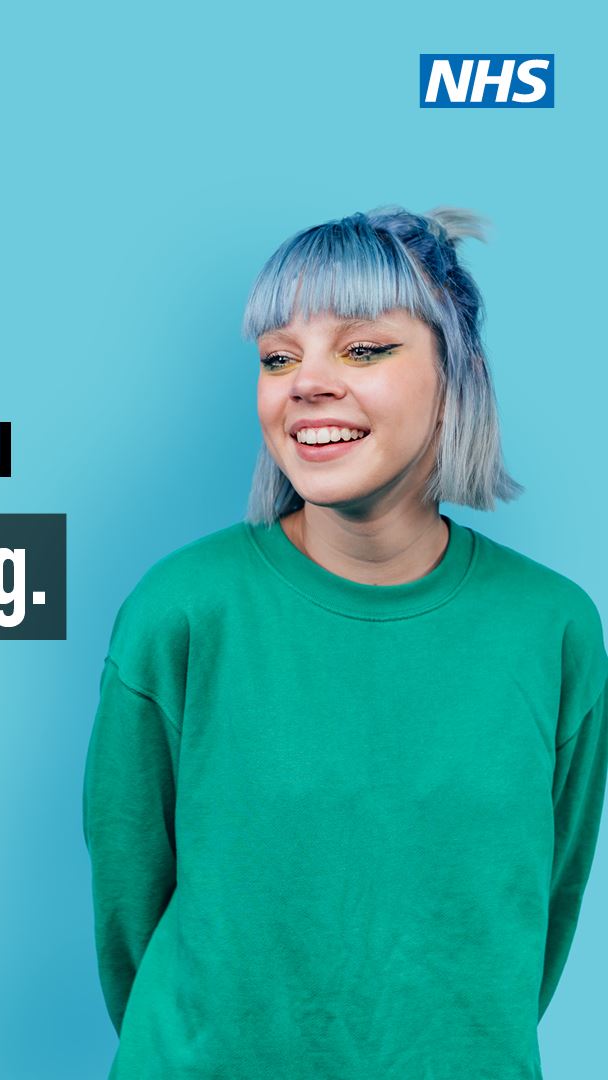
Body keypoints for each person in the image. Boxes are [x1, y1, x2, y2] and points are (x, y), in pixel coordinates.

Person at [82, 206, 608, 1078]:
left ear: (458, 373)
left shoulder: (553, 630)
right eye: (278, 357)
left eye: (363, 349)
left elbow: (538, 920)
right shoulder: (179, 611)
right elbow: (128, 912)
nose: (306, 382)